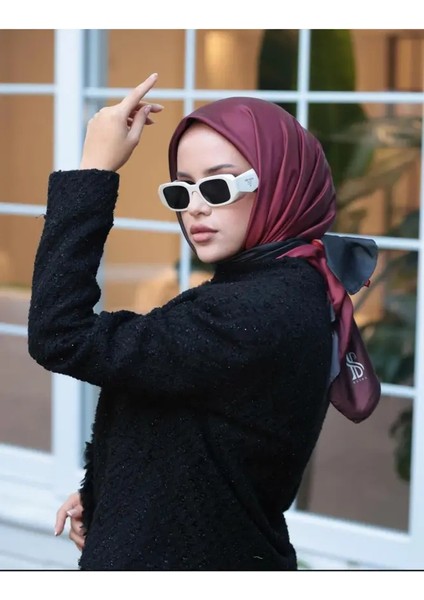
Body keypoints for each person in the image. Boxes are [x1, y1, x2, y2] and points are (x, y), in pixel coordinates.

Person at [28, 73, 380, 570]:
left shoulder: (256, 310)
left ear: (282, 183)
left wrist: (94, 169)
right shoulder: (281, 287)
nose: (195, 208)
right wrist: (110, 493)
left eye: (218, 186)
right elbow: (207, 434)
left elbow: (61, 334)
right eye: (182, 191)